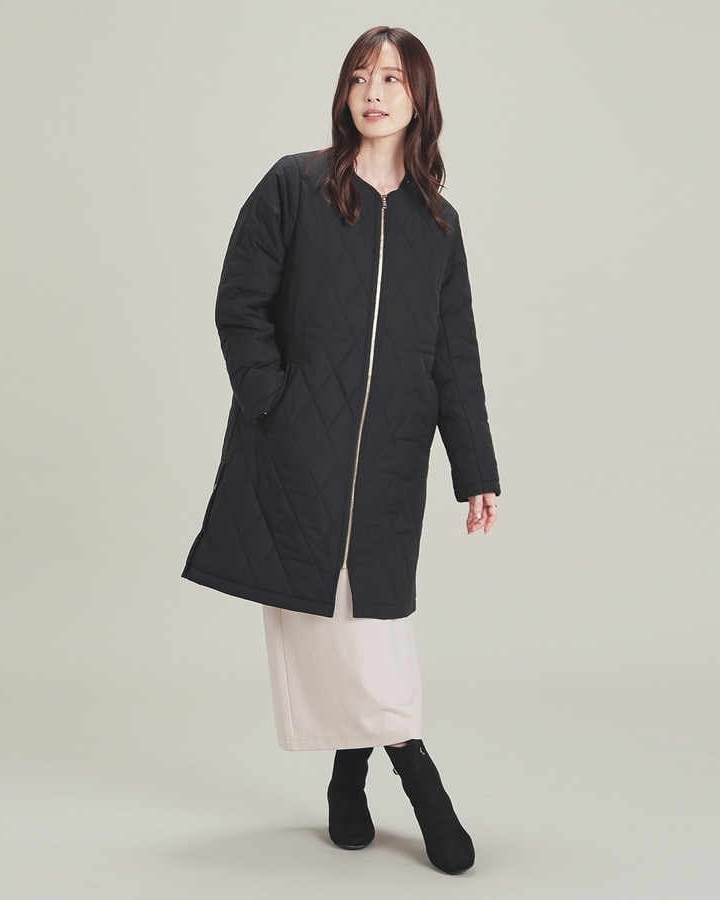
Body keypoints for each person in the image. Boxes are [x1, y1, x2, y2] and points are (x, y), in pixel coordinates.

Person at [182, 25, 500, 875]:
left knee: (371, 620)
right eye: (360, 76)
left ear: (419, 98)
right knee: (332, 624)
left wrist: (476, 470)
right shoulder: (295, 186)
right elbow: (239, 303)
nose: (374, 92)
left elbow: (455, 358)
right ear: (344, 92)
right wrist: (275, 404)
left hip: (393, 460)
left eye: (391, 78)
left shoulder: (439, 225)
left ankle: (348, 778)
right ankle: (419, 774)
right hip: (300, 454)